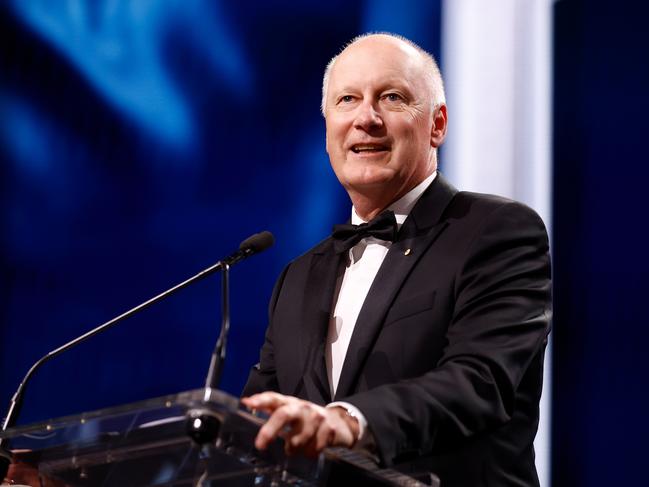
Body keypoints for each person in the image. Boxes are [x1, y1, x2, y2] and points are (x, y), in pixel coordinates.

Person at [241, 32, 551, 487]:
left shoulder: (496, 231)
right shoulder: (299, 276)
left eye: (391, 97)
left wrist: (349, 421)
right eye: (347, 99)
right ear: (327, 131)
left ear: (437, 124)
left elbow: (481, 381)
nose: (366, 119)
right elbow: (256, 422)